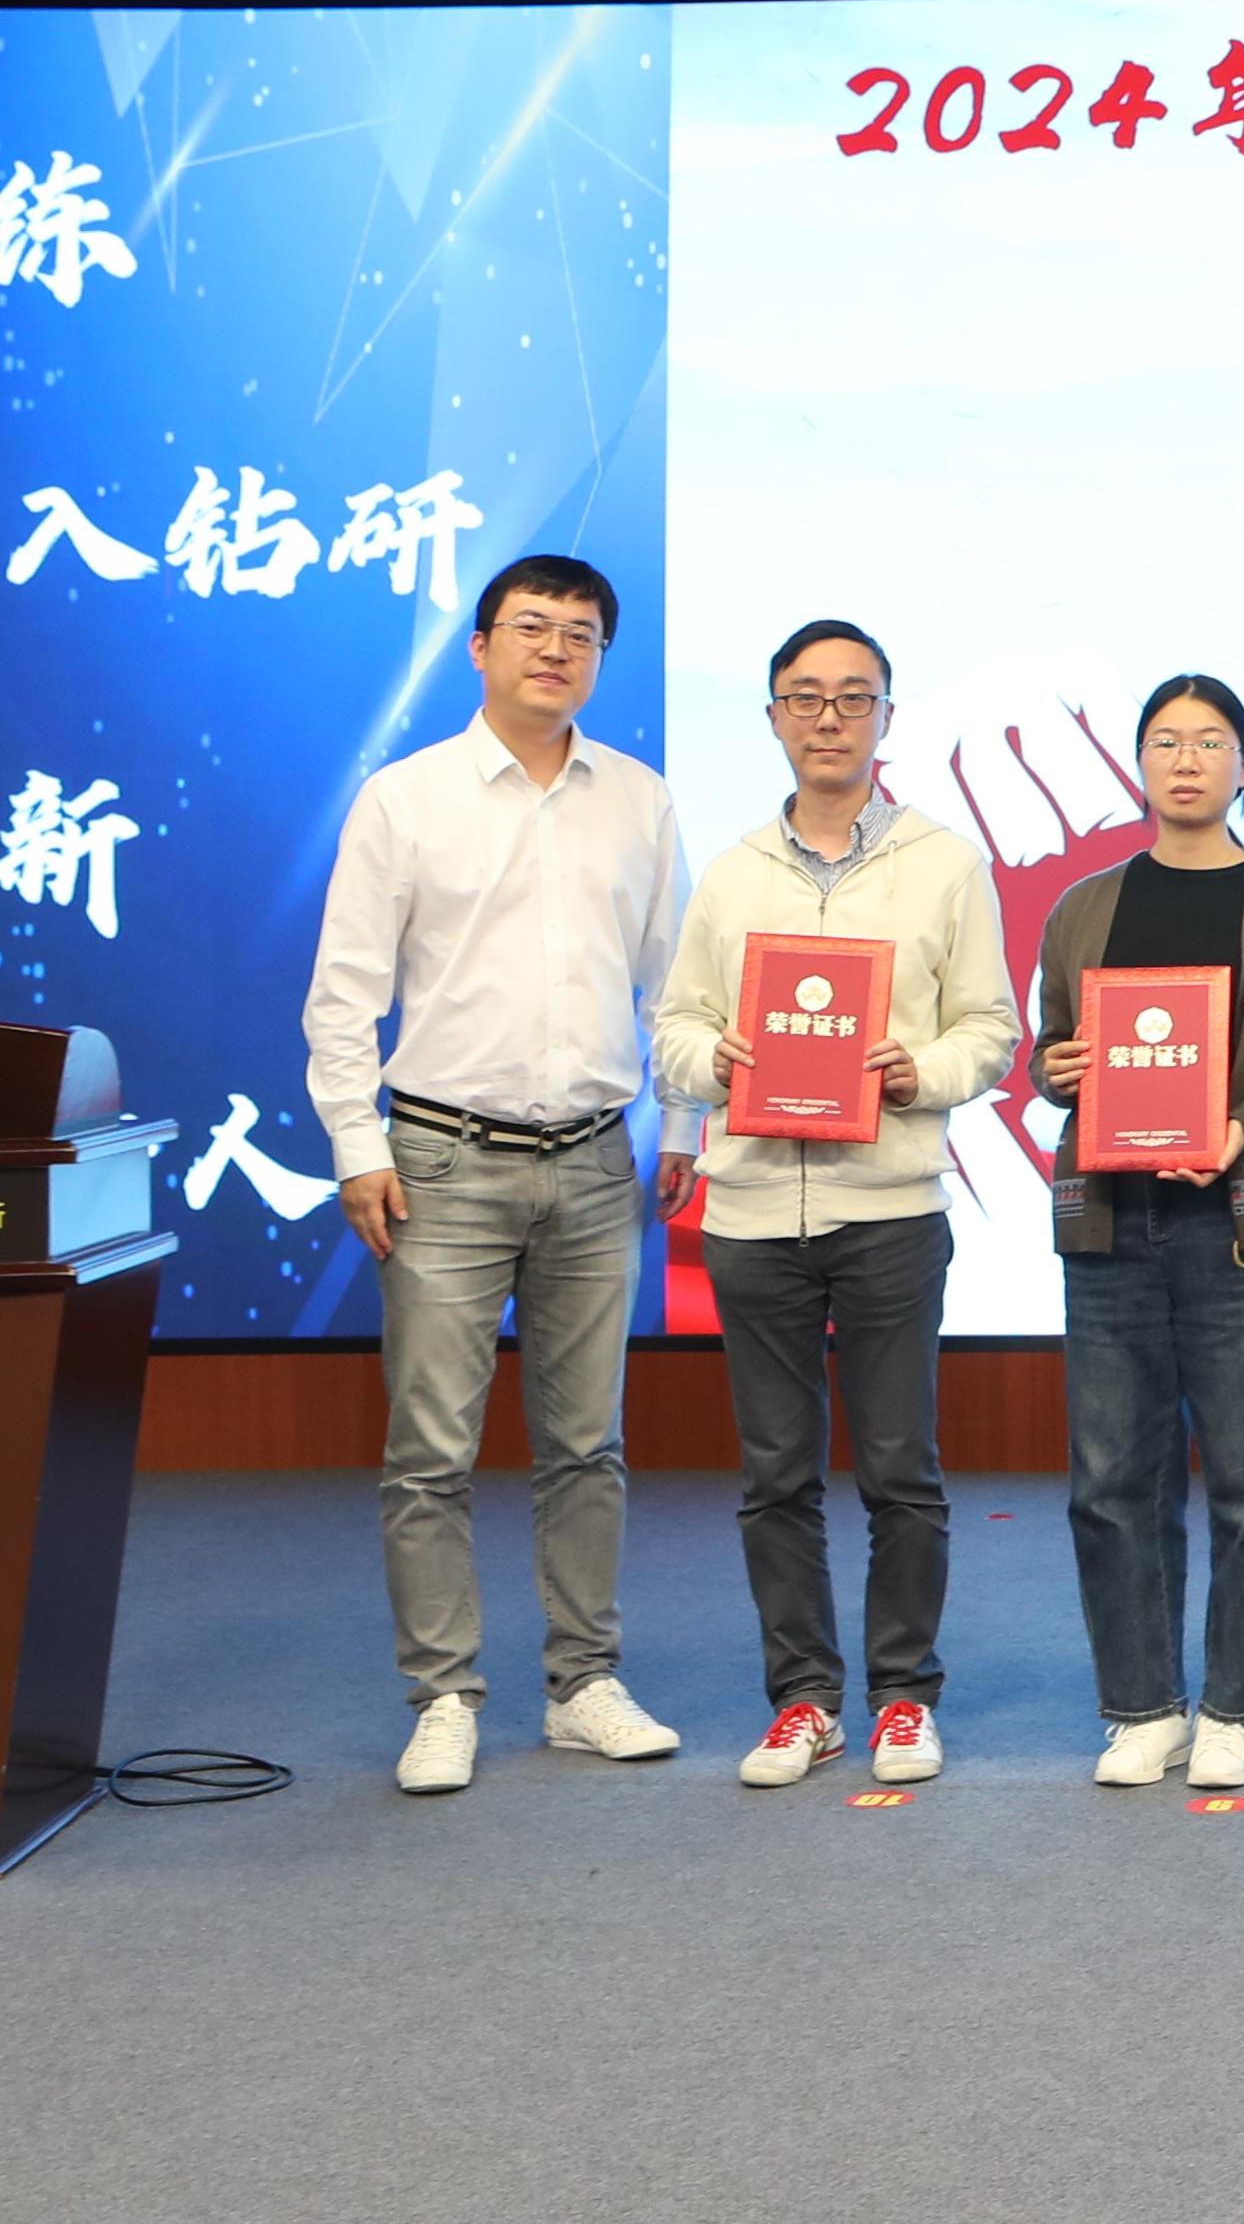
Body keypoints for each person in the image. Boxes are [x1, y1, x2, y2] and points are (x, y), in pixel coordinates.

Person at [306, 553, 704, 1796]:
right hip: (440, 1161)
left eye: (581, 634)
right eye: (531, 626)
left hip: (594, 1161)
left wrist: (683, 1126)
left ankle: (583, 1685)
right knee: (430, 1449)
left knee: (588, 1443)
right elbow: (343, 997)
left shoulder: (638, 799)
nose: (556, 649)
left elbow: (676, 985)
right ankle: (443, 1696)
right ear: (479, 647)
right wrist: (358, 1146)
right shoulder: (406, 799)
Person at [652, 619, 1021, 1790]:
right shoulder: (732, 872)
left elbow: (993, 1031)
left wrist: (924, 1071)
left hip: (890, 1209)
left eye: (853, 697)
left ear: (885, 719)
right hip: (753, 1211)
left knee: (902, 1468)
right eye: (805, 697)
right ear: (772, 718)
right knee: (776, 1476)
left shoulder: (945, 864)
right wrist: (715, 1061)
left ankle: (904, 1697)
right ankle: (803, 1700)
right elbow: (673, 1030)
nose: (828, 717)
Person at [1034, 674, 1244, 1792]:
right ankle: (1141, 1708)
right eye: (1165, 741)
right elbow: (1053, 1053)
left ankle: (1232, 1706)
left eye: (1210, 741)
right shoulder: (1084, 906)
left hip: (1237, 1225)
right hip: (1110, 1225)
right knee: (1109, 1481)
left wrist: (1241, 1125)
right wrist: (1055, 1068)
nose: (1186, 760)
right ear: (1138, 764)